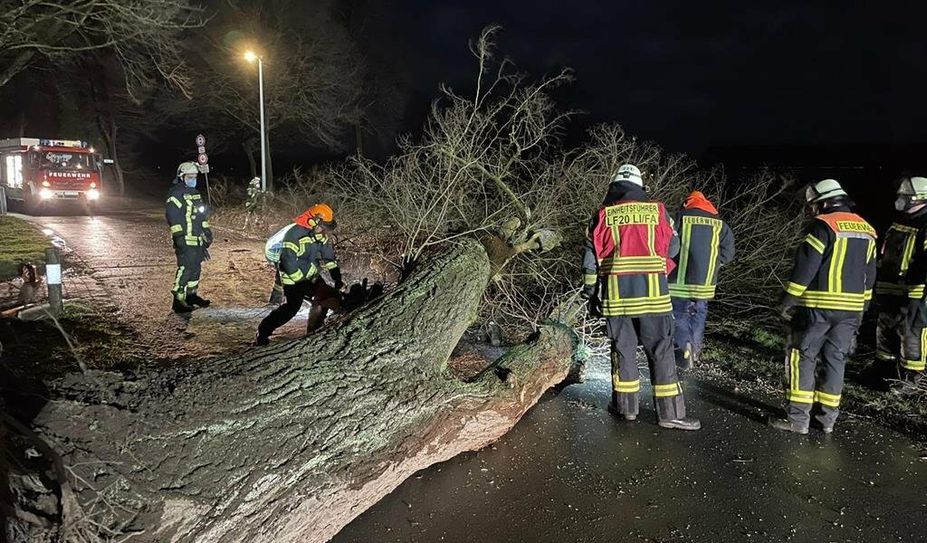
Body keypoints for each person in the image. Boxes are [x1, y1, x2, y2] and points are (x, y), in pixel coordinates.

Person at [581, 164, 701, 431]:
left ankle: (626, 408)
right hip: (654, 298)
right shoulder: (658, 212)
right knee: (661, 352)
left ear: (614, 188)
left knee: (623, 351)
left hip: (617, 300)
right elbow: (674, 247)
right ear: (640, 187)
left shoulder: (601, 216)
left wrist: (591, 294)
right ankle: (670, 414)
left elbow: (590, 263)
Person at [771, 179, 876, 434]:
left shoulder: (823, 226)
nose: (812, 210)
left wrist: (788, 300)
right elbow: (870, 275)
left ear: (826, 202)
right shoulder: (868, 229)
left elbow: (806, 268)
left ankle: (798, 420)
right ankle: (826, 420)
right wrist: (862, 308)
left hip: (817, 307)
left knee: (801, 356)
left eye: (814, 205)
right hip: (851, 310)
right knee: (835, 360)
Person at [255, 204, 343, 345]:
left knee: (327, 296)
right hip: (292, 277)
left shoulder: (319, 235)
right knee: (291, 308)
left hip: (310, 273)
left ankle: (314, 333)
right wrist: (300, 282)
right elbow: (288, 261)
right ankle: (263, 331)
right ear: (314, 221)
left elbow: (328, 256)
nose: (325, 230)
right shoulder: (293, 234)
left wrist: (336, 276)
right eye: (323, 226)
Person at [668, 190, 735, 369]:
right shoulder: (720, 224)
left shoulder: (679, 218)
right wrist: (714, 264)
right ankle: (695, 350)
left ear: (686, 203)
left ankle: (683, 348)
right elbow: (729, 254)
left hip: (680, 279)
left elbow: (668, 244)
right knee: (699, 313)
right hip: (705, 284)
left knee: (680, 313)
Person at [872, 176, 927, 391]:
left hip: (916, 289)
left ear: (919, 198)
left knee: (912, 330)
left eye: (905, 195)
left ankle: (913, 378)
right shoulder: (901, 220)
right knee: (885, 325)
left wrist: (918, 283)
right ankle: (883, 369)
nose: (900, 198)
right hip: (891, 284)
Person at [166, 161, 212, 313]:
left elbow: (200, 216)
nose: (193, 179)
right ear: (182, 177)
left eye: (195, 176)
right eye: (190, 177)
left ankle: (191, 296)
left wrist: (207, 232)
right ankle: (178, 301)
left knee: (195, 269)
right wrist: (179, 237)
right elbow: (172, 216)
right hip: (185, 239)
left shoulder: (195, 193)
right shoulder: (176, 194)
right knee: (186, 268)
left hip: (197, 239)